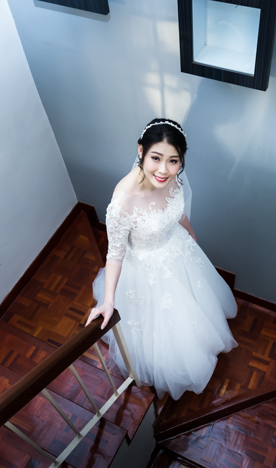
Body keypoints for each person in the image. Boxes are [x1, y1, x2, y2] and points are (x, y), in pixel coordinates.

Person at [87, 118, 238, 400]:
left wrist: (189, 231)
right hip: (147, 271)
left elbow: (177, 211)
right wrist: (108, 301)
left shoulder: (173, 178)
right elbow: (115, 254)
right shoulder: (123, 200)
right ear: (141, 151)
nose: (164, 170)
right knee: (163, 329)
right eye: (156, 158)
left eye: (173, 161)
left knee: (196, 304)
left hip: (178, 250)